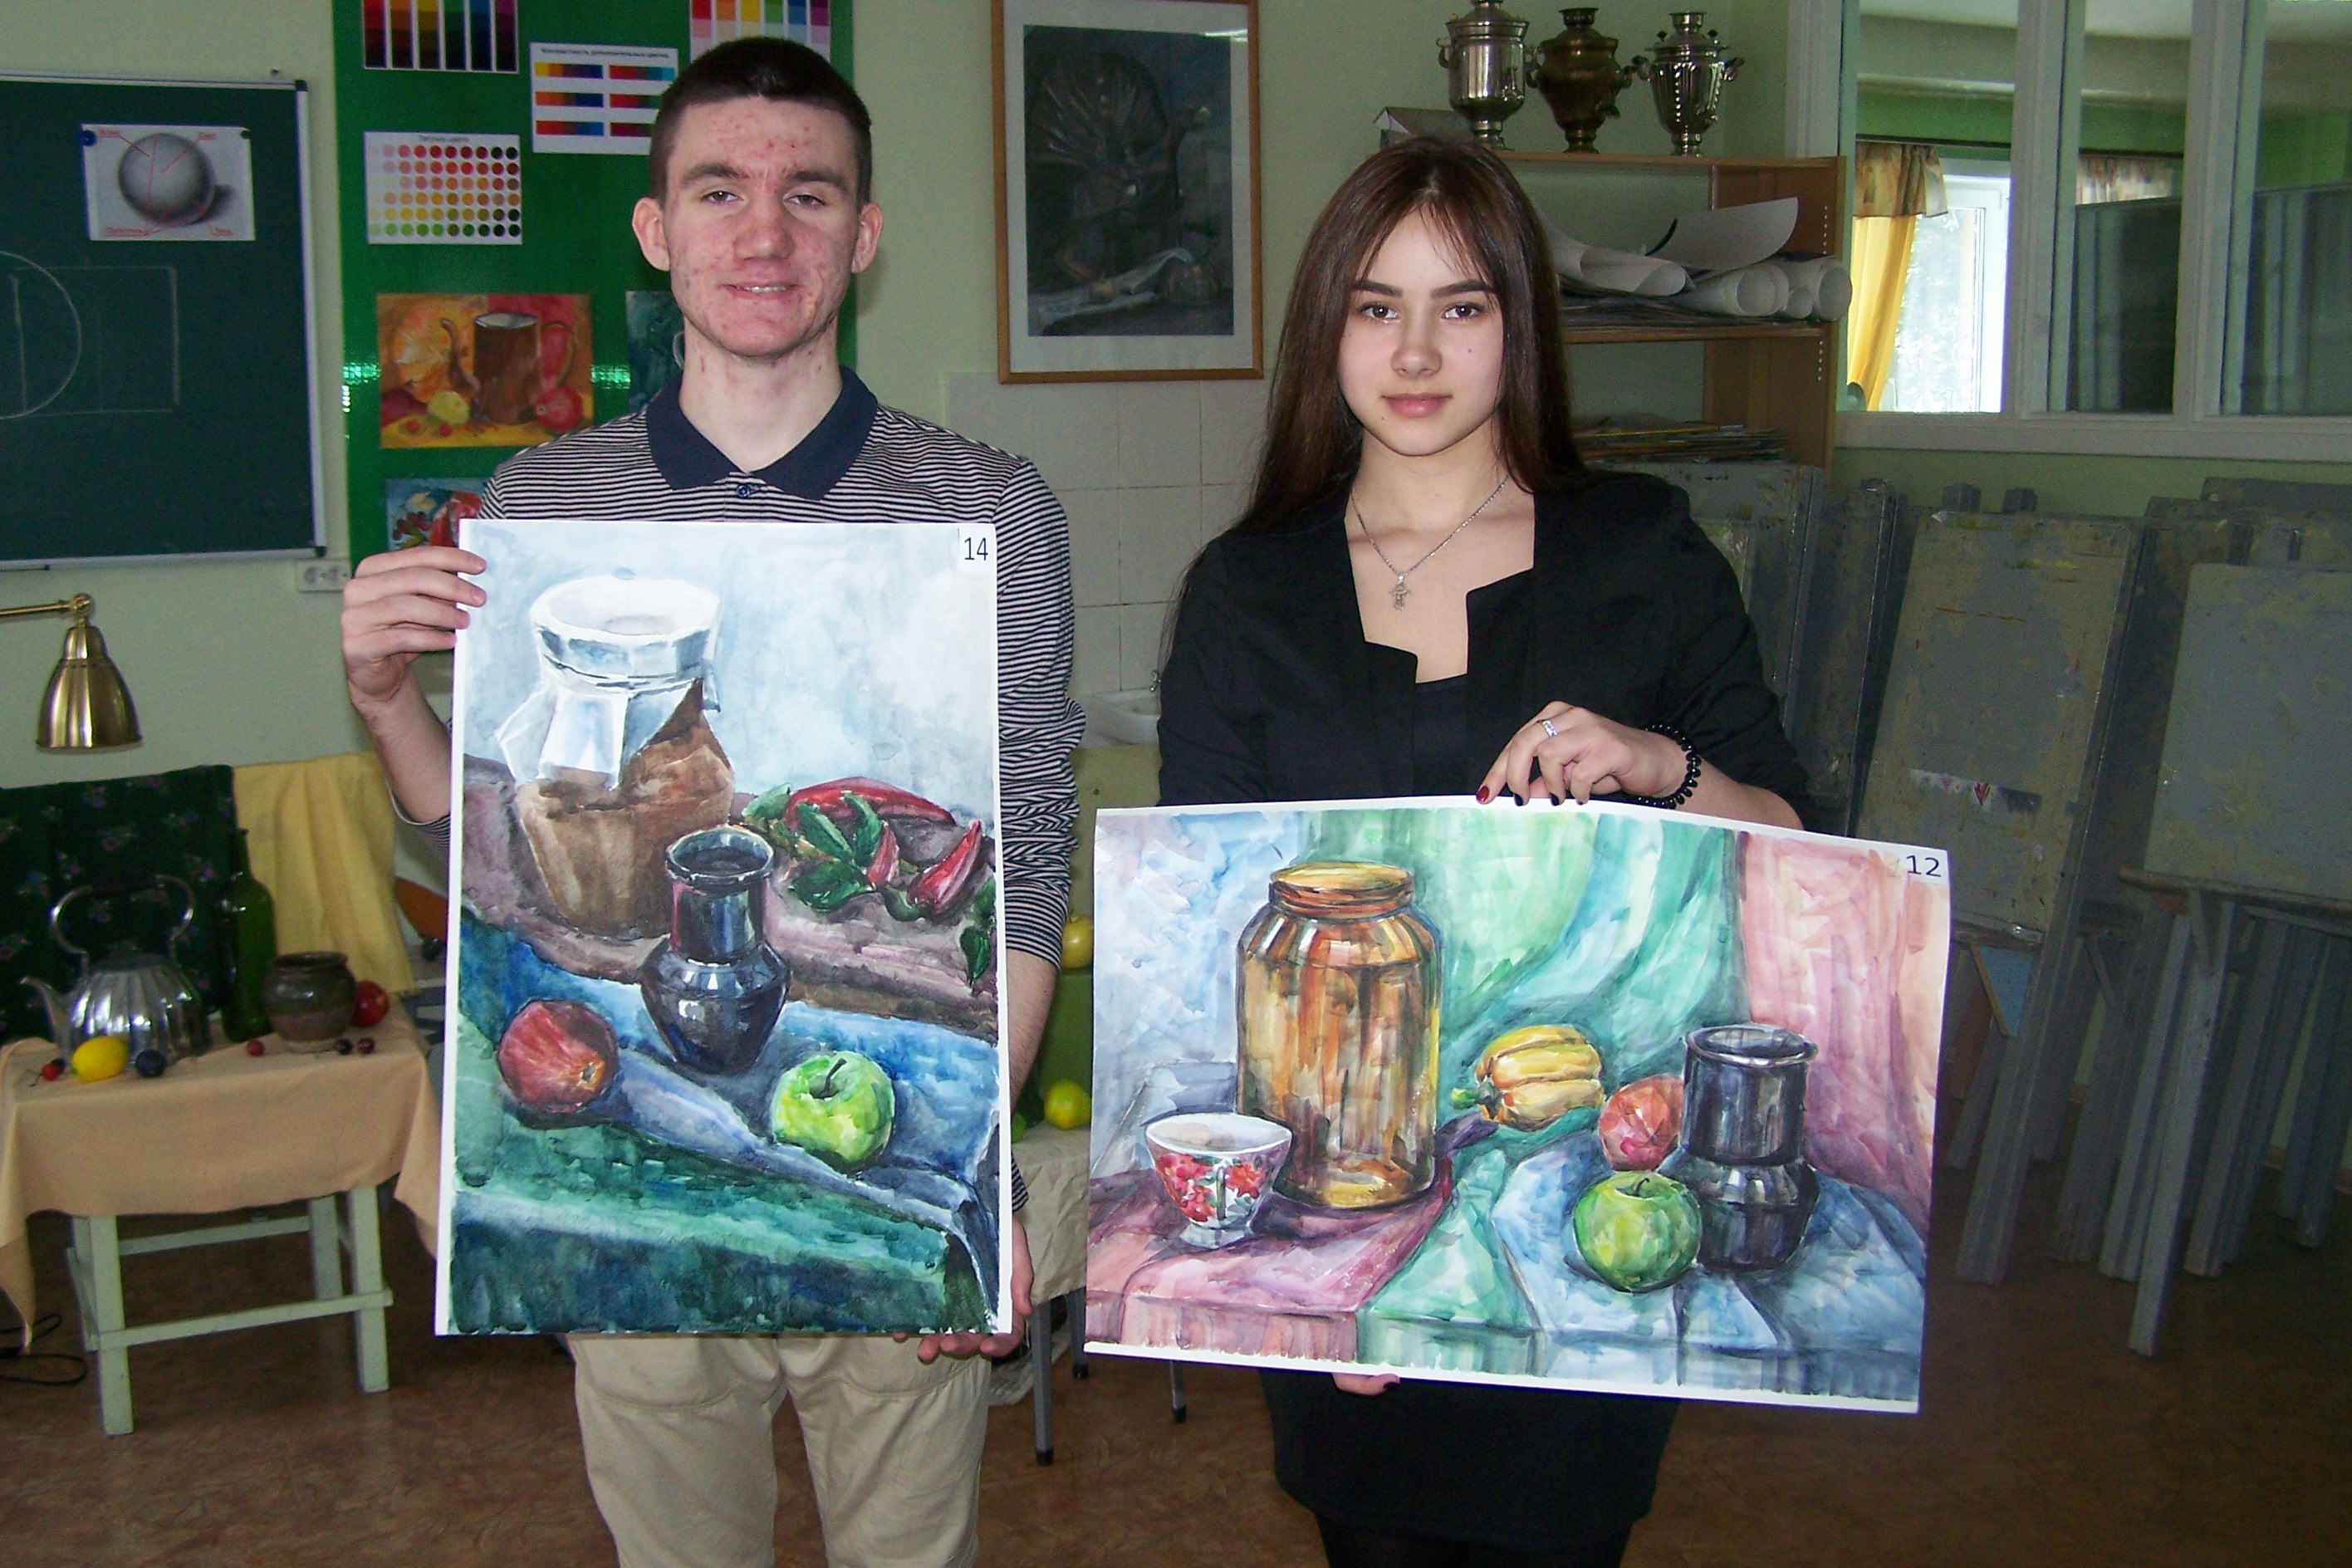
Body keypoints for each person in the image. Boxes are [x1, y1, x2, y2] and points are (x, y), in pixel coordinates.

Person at [338, 39, 1083, 1568]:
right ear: (655, 230)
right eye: (719, 190)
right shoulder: (542, 504)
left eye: (810, 195)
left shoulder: (989, 507)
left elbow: (1029, 849)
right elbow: (488, 854)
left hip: (890, 1151)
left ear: (864, 234)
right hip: (646, 1155)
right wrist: (386, 702)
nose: (765, 234)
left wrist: (976, 1182)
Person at [1155, 137, 1808, 1568]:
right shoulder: (1247, 593)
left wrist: (1660, 766)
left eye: (1461, 305)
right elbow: (1207, 961)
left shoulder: (1644, 552)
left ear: (1520, 324)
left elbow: (1798, 841)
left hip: (1575, 1231)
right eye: (1375, 306)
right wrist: (1308, 1275)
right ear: (1327, 329)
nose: (1415, 352)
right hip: (1335, 1233)